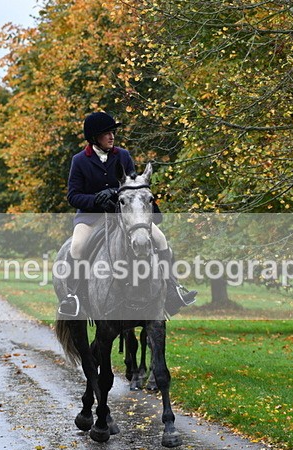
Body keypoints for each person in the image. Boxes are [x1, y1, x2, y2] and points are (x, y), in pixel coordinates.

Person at [58, 111, 196, 317]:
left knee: (160, 239)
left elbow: (132, 186)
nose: (112, 136)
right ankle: (74, 296)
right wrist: (96, 199)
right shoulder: (79, 160)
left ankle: (172, 289)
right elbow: (73, 196)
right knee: (77, 247)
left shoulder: (123, 155)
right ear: (94, 137)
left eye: (113, 132)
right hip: (90, 217)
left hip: (125, 216)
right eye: (107, 133)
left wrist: (114, 193)